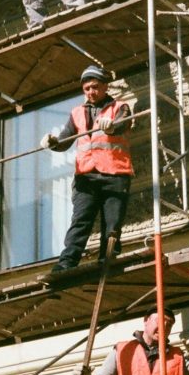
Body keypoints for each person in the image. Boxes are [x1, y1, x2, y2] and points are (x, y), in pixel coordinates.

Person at [41, 64, 132, 272]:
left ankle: (107, 259)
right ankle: (66, 263)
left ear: (105, 86)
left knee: (112, 224)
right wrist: (52, 142)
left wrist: (112, 125)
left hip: (115, 174)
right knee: (80, 222)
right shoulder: (77, 113)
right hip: (86, 176)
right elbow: (65, 141)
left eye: (95, 86)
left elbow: (122, 123)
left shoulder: (120, 107)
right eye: (87, 88)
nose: (91, 92)